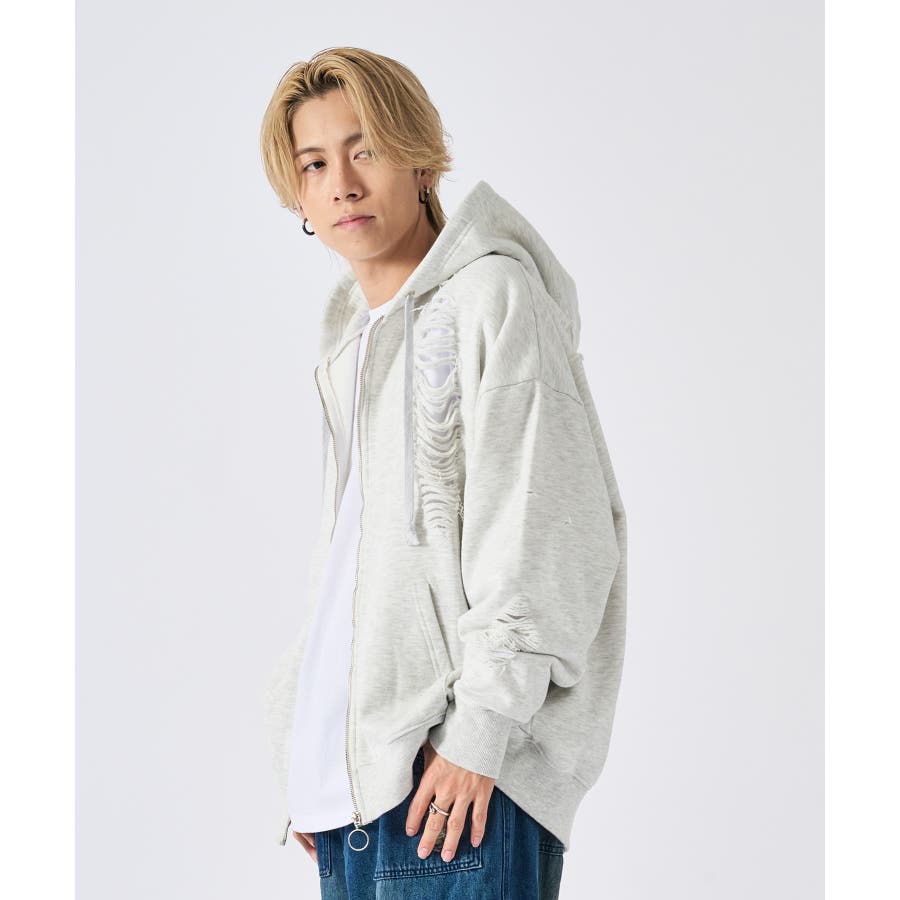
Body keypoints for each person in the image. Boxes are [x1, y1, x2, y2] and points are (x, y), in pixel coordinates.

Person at [258, 46, 627, 899]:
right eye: (315, 164)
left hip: (456, 790)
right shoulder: (352, 339)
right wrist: (317, 749)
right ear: (299, 197)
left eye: (365, 149)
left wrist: (480, 734)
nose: (343, 184)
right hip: (354, 792)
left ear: (420, 159)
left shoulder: (493, 298)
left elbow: (548, 536)